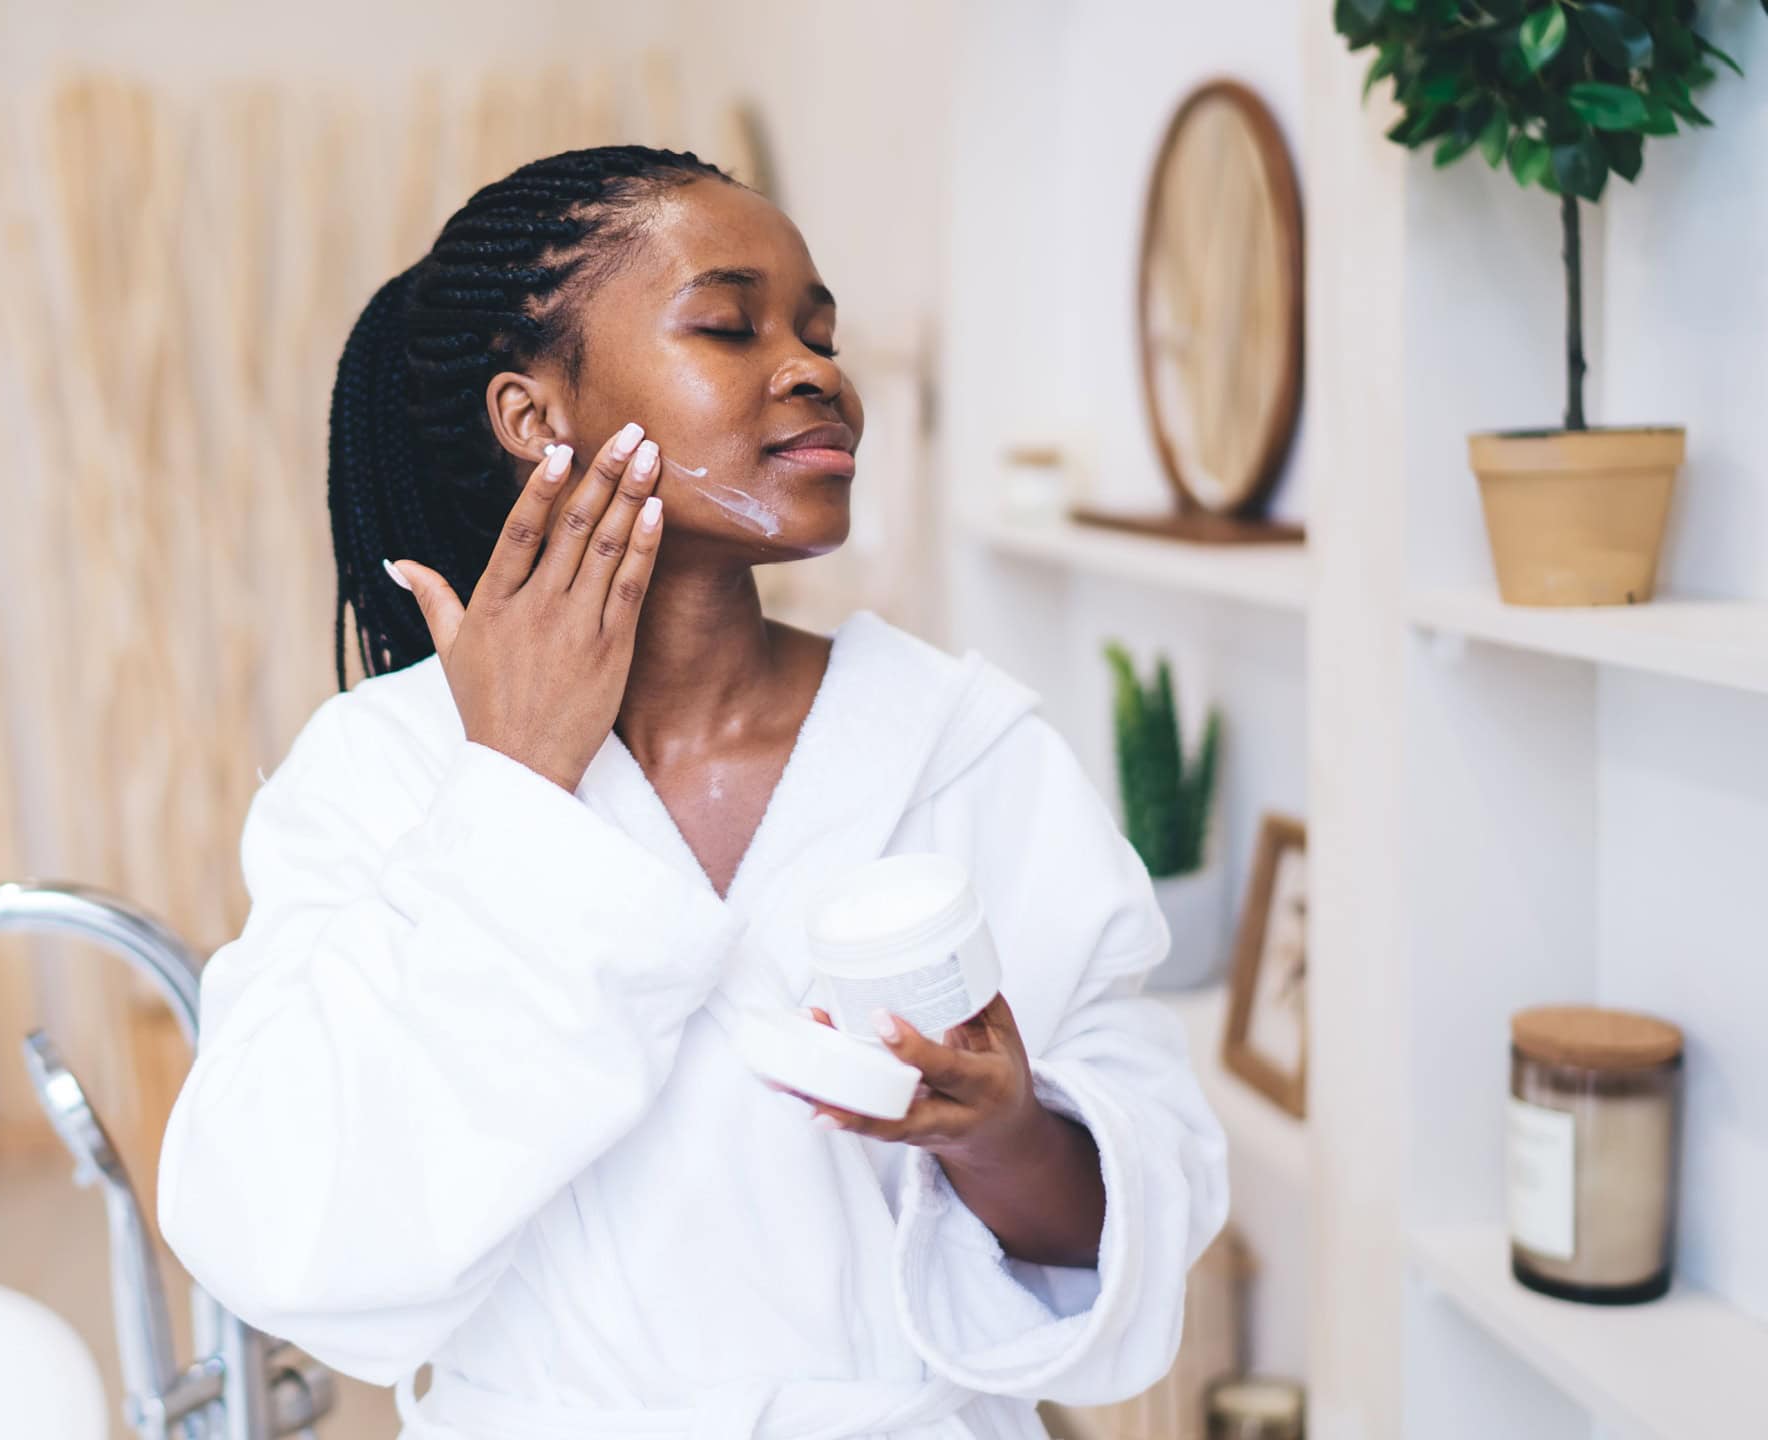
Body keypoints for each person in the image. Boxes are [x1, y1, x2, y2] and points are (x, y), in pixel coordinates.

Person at [156, 145, 1227, 1440]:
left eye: (820, 332)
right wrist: (513, 790)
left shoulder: (957, 747)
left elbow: (1141, 1193)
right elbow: (277, 1227)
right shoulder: (388, 773)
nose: (813, 369)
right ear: (534, 417)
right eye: (728, 325)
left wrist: (1005, 1136)